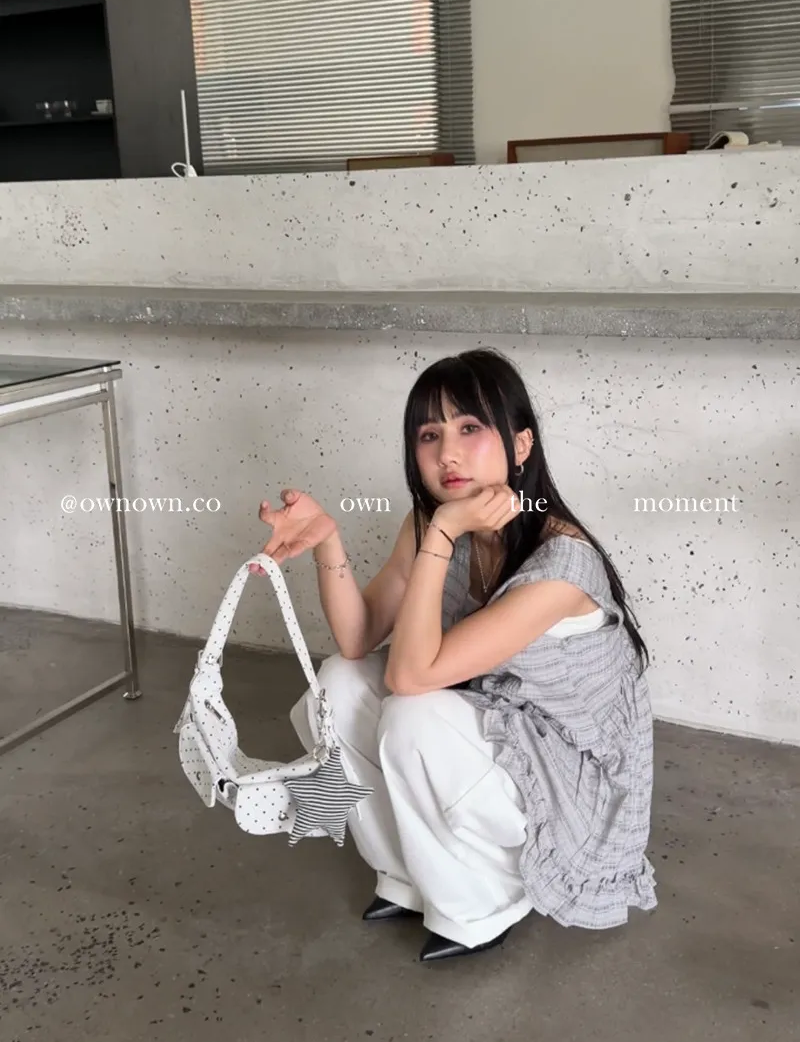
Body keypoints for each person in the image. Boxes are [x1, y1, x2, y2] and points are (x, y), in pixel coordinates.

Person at [250, 347, 656, 963]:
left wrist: (442, 533)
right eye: (429, 435)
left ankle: (484, 904)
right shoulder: (430, 523)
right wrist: (328, 540)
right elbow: (359, 640)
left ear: (521, 445)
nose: (447, 453)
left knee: (413, 712)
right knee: (337, 684)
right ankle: (407, 876)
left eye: (470, 428)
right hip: (493, 730)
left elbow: (411, 676)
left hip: (570, 782)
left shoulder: (562, 566)